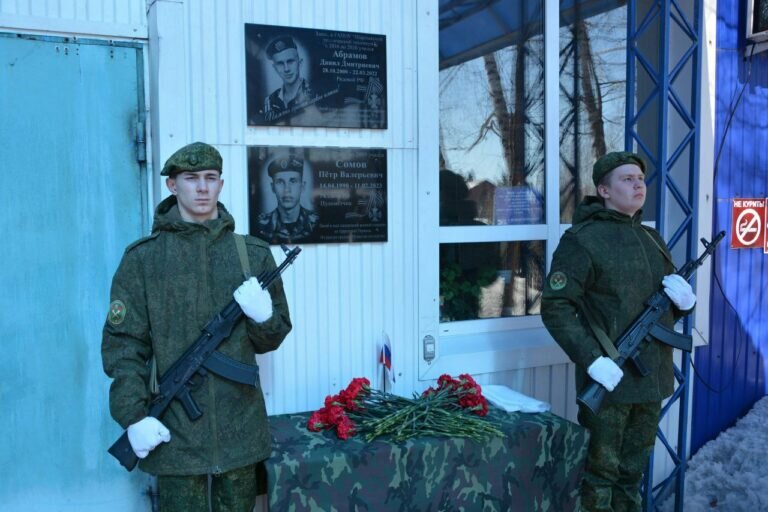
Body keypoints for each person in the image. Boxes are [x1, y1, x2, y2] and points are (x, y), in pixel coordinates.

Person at [101, 142, 292, 512]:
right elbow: (123, 346)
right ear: (173, 185)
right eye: (191, 179)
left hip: (240, 429)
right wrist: (134, 416)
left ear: (221, 184)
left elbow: (274, 336)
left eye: (210, 178)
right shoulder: (144, 259)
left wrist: (263, 316)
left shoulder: (251, 254)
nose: (202, 188)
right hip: (175, 433)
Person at [541, 152, 696, 512]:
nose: (638, 183)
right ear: (604, 190)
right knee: (599, 476)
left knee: (631, 474)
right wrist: (591, 360)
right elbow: (556, 306)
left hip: (651, 378)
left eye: (640, 177)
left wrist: (685, 303)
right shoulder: (582, 240)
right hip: (610, 380)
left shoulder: (652, 238)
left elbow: (661, 305)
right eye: (627, 179)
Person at [255, 155, 319, 244]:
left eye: (293, 181)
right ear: (272, 187)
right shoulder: (262, 223)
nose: (287, 190)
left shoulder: (315, 221)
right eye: (280, 182)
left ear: (302, 186)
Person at [263, 35, 316, 123]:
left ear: (300, 63)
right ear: (275, 68)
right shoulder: (270, 101)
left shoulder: (315, 93)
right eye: (280, 63)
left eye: (290, 61)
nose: (286, 69)